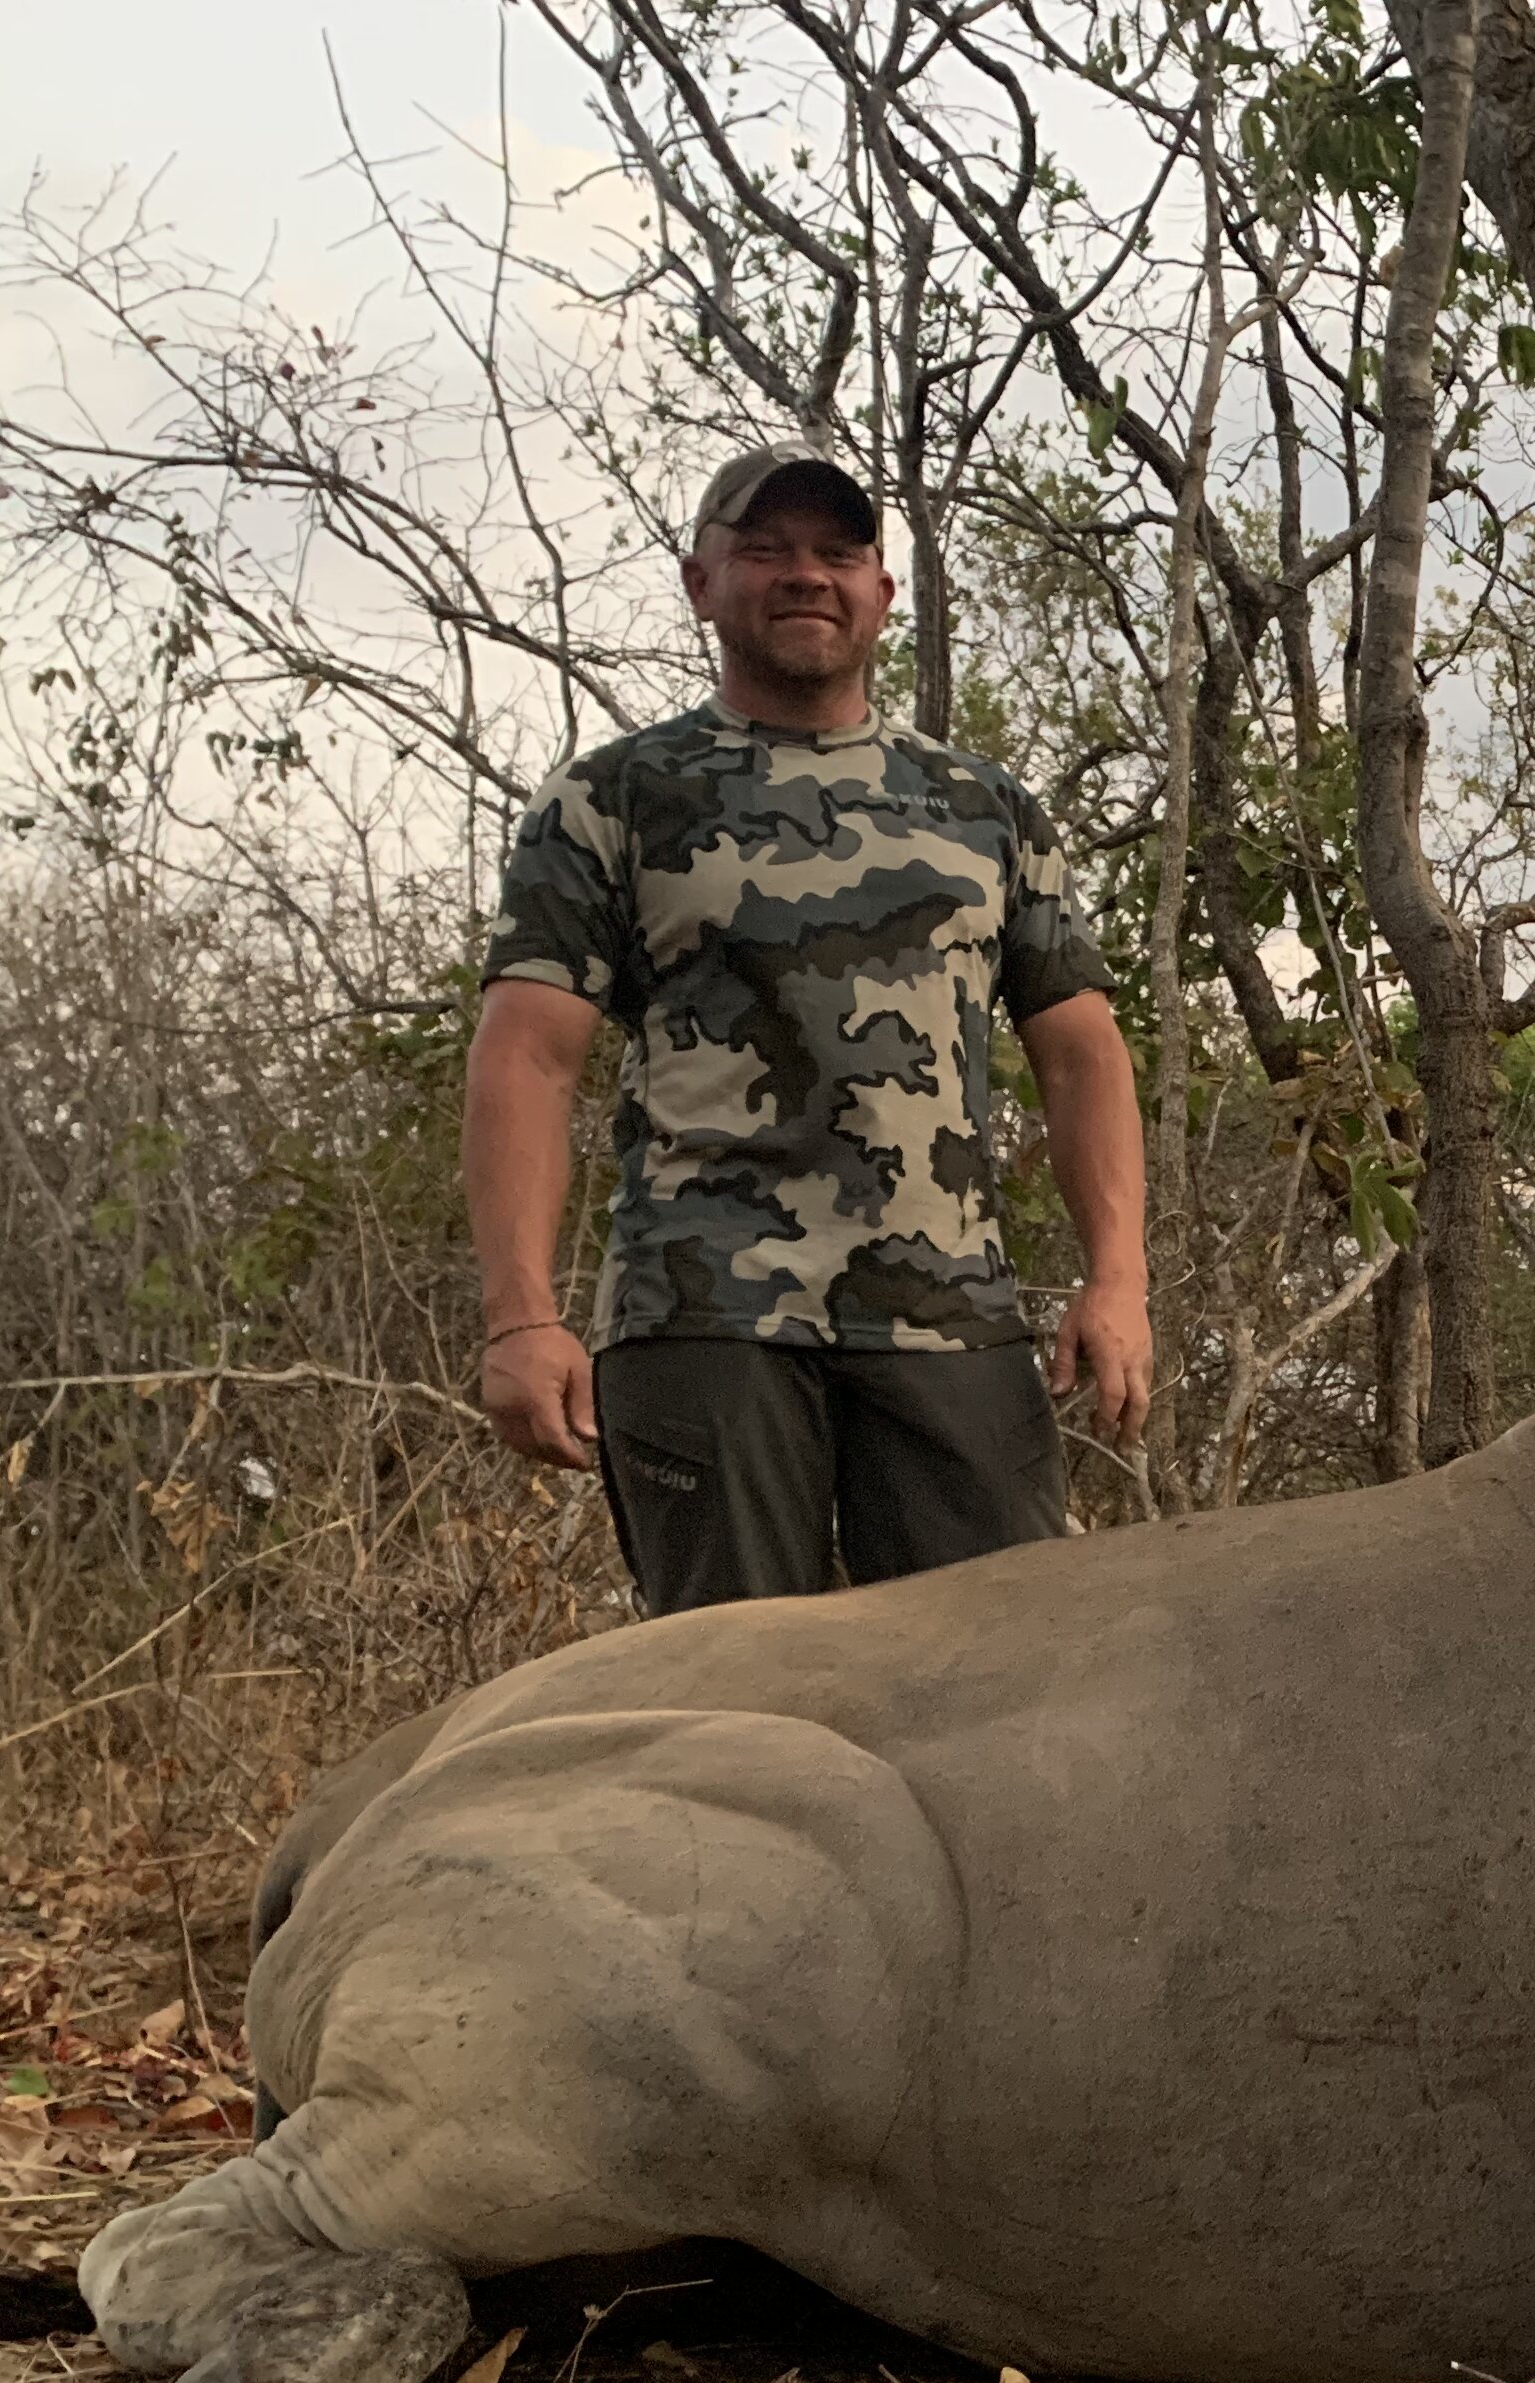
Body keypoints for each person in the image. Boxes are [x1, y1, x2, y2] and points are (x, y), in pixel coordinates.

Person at [463, 440, 1150, 1610]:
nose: (804, 576)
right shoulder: (617, 798)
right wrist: (520, 1315)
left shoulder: (982, 809)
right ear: (701, 584)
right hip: (703, 1317)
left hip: (950, 1318)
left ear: (883, 593)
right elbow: (528, 1052)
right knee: (733, 1705)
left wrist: (1119, 1279)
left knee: (1009, 1682)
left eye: (839, 553)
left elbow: (1081, 1051)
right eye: (765, 551)